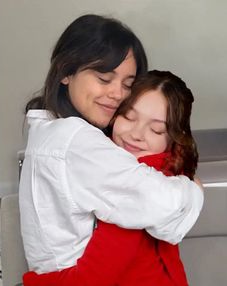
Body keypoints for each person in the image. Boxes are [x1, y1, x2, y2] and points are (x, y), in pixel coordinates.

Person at [19, 13, 203, 279]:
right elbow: (160, 204)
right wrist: (192, 187)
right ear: (66, 72)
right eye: (104, 79)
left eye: (128, 85)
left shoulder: (49, 129)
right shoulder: (76, 140)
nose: (117, 94)